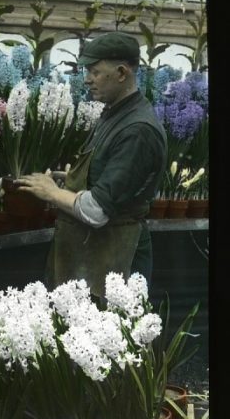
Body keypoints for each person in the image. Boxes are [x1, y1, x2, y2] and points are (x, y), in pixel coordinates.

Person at [14, 31, 167, 299]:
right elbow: (106, 176)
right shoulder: (116, 113)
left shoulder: (138, 130)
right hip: (96, 257)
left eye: (95, 72)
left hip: (116, 261)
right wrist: (71, 178)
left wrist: (51, 192)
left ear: (121, 73)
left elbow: (97, 211)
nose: (86, 79)